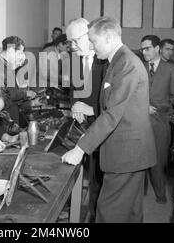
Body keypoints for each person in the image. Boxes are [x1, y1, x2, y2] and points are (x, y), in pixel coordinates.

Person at [62, 16, 156, 223]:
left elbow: (112, 114)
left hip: (126, 154)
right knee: (130, 214)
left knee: (108, 213)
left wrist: (80, 149)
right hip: (129, 152)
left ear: (108, 37)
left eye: (94, 41)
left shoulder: (126, 63)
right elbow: (111, 105)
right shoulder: (117, 61)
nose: (93, 47)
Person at [65, 17, 108, 222]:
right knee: (88, 174)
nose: (72, 47)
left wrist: (90, 109)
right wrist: (75, 106)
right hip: (82, 125)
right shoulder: (74, 60)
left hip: (103, 127)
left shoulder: (107, 61)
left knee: (100, 179)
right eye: (69, 42)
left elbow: (114, 105)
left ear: (89, 36)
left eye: (75, 41)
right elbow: (74, 90)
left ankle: (94, 215)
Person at [141, 35, 174, 204]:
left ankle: (160, 193)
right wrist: (143, 107)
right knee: (138, 158)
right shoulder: (138, 67)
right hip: (139, 120)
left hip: (160, 121)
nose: (143, 52)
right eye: (142, 49)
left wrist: (161, 110)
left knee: (159, 159)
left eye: (147, 48)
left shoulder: (172, 69)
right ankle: (139, 193)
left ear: (157, 49)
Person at [0, 36, 36, 139]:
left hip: (7, 124)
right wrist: (25, 94)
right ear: (10, 50)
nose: (22, 58)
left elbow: (10, 92)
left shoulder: (6, 68)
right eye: (20, 53)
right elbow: (6, 96)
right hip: (0, 127)